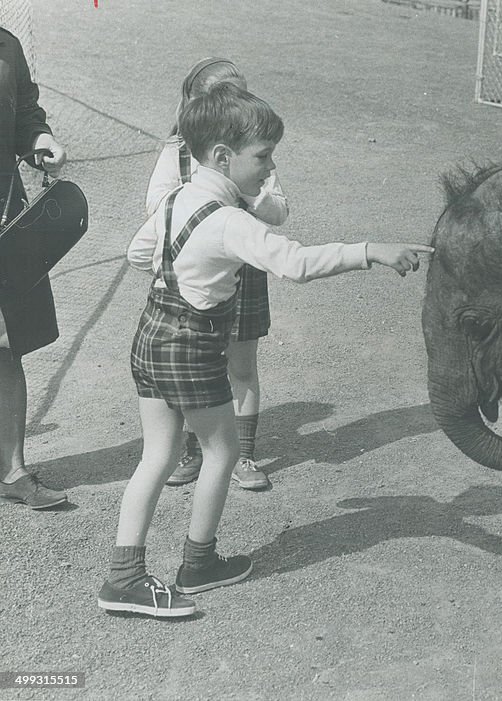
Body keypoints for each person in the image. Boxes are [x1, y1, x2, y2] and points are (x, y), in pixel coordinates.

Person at [97, 83, 432, 618]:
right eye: (264, 157)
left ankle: (124, 575)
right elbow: (294, 262)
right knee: (222, 452)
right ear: (223, 156)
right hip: (191, 345)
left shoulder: (179, 198)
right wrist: (370, 250)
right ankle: (198, 564)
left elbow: (140, 252)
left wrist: (187, 272)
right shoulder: (231, 221)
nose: (270, 168)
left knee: (156, 456)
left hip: (151, 334)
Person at [147, 58, 285, 491]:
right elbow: (155, 209)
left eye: (241, 97)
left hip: (244, 270)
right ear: (197, 105)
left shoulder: (253, 156)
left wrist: (255, 197)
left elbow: (279, 210)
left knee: (241, 367)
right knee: (194, 366)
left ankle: (244, 455)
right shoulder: (176, 154)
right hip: (195, 275)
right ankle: (192, 452)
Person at [0, 28, 69, 510]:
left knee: (6, 342)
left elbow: (24, 112)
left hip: (4, 209)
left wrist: (41, 140)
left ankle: (12, 470)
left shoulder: (6, 45)